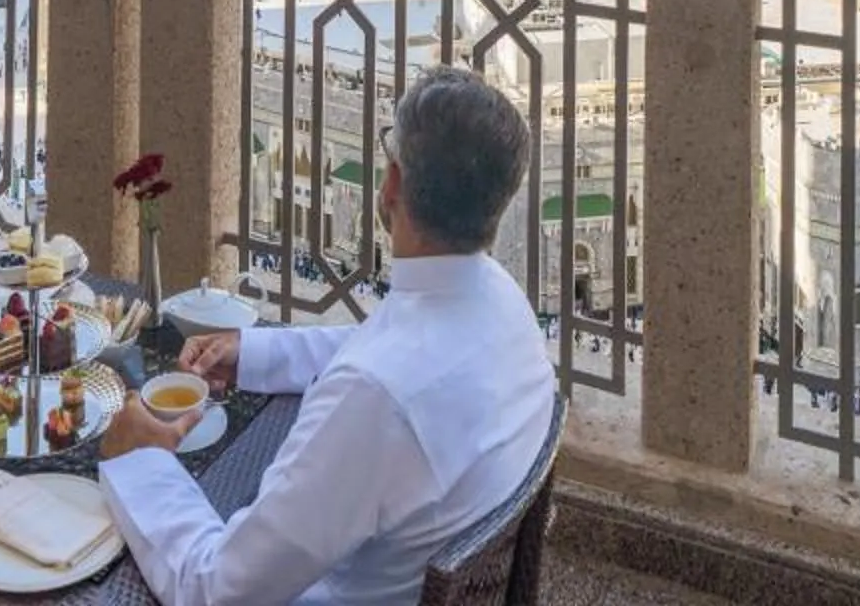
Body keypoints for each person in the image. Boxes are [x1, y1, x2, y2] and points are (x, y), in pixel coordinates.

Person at [96, 65, 553, 606]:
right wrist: (254, 352)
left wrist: (136, 460)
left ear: (392, 184)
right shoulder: (499, 301)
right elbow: (389, 349)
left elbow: (216, 590)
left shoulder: (374, 401)